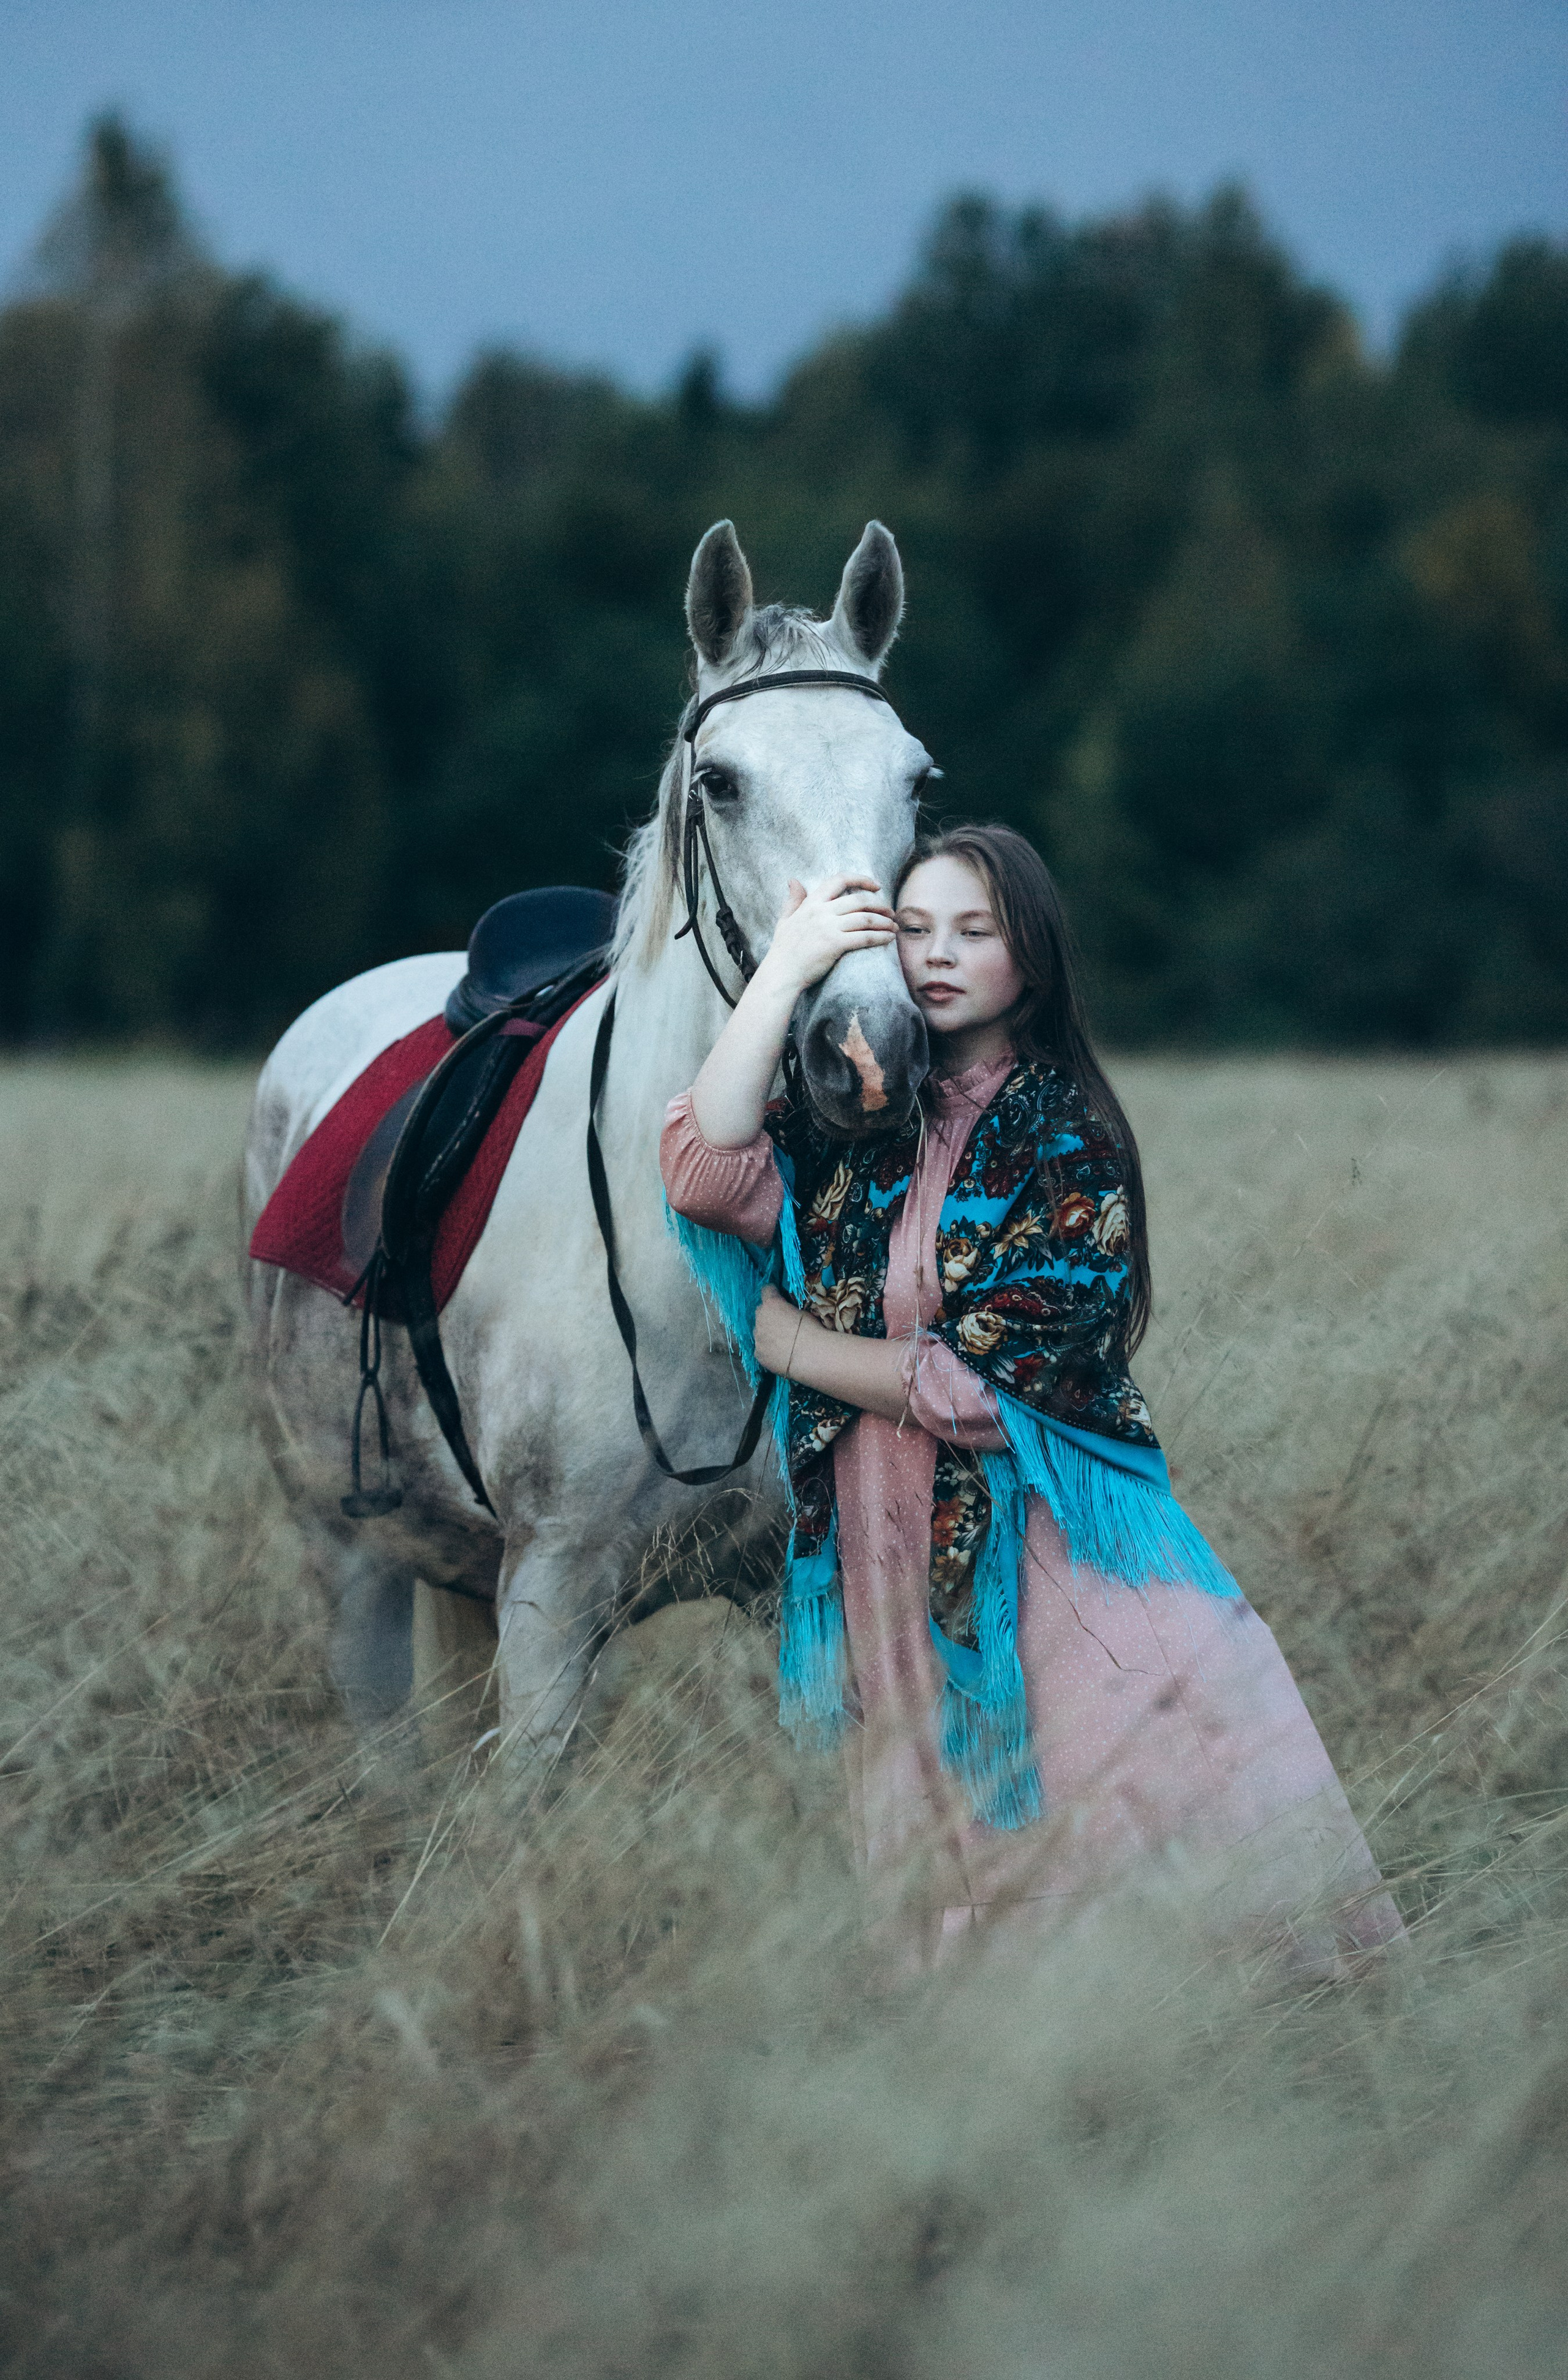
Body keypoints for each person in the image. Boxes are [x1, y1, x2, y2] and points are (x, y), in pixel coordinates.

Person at [660, 823, 1403, 1970]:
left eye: (975, 930)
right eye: (912, 929)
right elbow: (702, 1169)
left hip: (1042, 1559)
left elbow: (988, 1388)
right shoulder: (861, 1121)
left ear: (1033, 957)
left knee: (1092, 1838)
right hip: (883, 1547)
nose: (937, 953)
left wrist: (798, 1346)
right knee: (939, 1844)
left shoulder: (1064, 1136)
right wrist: (789, 966)